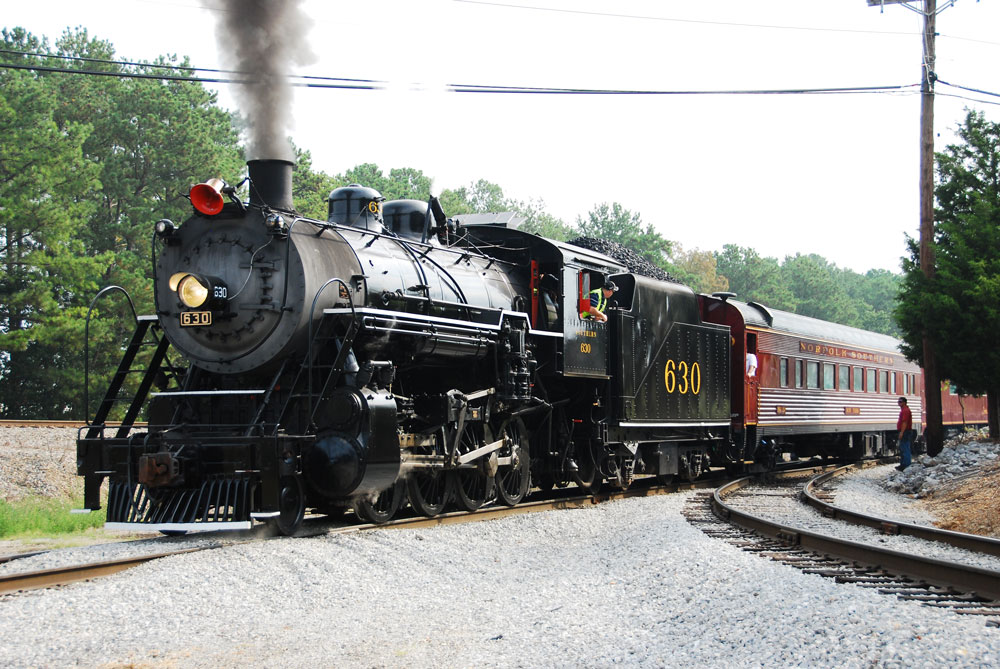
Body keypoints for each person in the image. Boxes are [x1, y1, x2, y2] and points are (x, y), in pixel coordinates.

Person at [896, 397, 915, 471]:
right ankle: (903, 464)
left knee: (905, 448)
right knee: (903, 448)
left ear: (904, 402)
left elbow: (905, 422)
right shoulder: (904, 410)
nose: (899, 403)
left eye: (900, 402)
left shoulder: (905, 411)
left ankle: (906, 465)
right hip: (905, 431)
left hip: (905, 431)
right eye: (898, 402)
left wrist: (901, 432)